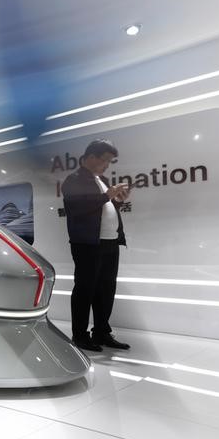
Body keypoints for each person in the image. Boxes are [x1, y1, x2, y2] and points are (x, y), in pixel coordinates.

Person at [62, 139, 131, 352]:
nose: (107, 165)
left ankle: (101, 332)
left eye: (110, 161)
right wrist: (106, 196)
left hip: (110, 241)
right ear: (91, 157)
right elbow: (78, 208)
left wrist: (118, 200)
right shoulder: (73, 180)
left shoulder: (101, 179)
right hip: (88, 244)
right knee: (85, 289)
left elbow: (103, 207)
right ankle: (80, 335)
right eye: (105, 160)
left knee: (107, 289)